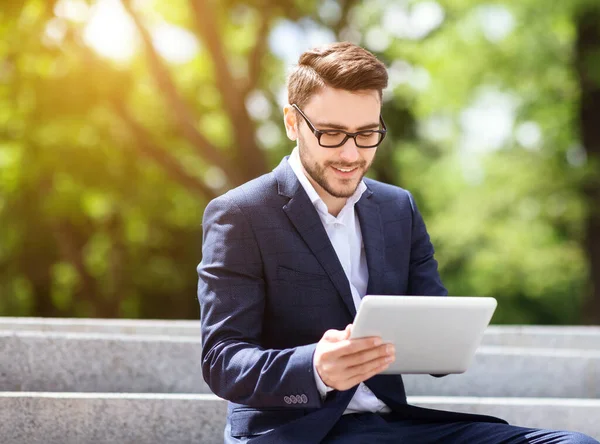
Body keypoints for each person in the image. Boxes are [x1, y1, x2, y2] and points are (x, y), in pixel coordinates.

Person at [197, 42, 598, 444]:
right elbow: (222, 360)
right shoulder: (240, 214)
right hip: (299, 431)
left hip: (396, 426)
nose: (351, 153)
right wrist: (314, 367)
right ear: (292, 122)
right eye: (332, 133)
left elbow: (435, 322)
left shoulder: (397, 208)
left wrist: (443, 340)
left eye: (367, 133)